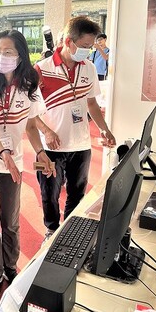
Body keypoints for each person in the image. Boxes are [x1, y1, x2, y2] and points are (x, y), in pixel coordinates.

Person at [0, 29, 54, 299]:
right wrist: (3, 152)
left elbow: (29, 123)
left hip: (12, 161)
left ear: (20, 55)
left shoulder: (30, 82)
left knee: (11, 220)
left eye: (8, 52)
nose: (1, 57)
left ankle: (10, 267)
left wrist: (40, 151)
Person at [34, 16, 116, 243]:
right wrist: (47, 132)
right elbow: (30, 113)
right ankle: (51, 231)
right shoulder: (41, 69)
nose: (88, 52)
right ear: (69, 41)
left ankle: (70, 232)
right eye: (85, 47)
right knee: (49, 194)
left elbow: (91, 104)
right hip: (50, 147)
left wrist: (104, 129)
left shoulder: (88, 68)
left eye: (91, 48)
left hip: (81, 145)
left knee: (77, 193)